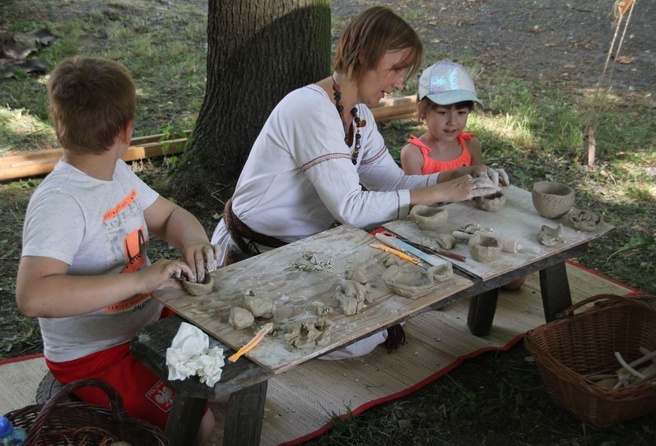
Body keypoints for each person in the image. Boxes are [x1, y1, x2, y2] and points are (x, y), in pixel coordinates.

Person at [211, 6, 506, 358]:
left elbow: (391, 180)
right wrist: (440, 191)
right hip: (252, 251)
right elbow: (350, 207)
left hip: (299, 249)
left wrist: (452, 175)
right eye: (396, 69)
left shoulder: (360, 116)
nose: (400, 83)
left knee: (382, 309)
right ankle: (242, 308)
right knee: (361, 334)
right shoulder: (309, 108)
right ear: (363, 57)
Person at [15, 56, 221, 444]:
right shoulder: (60, 202)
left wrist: (192, 239)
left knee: (224, 370)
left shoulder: (115, 173)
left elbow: (169, 216)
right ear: (126, 130)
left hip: (148, 324)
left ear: (59, 125)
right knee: (196, 423)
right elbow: (33, 296)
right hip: (96, 353)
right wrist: (140, 280)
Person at [400, 61, 524, 290]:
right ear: (422, 110)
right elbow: (414, 207)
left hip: (470, 226)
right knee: (441, 286)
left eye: (461, 112)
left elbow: (481, 189)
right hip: (433, 234)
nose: (452, 121)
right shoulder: (414, 154)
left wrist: (495, 185)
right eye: (442, 111)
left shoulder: (471, 145)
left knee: (516, 281)